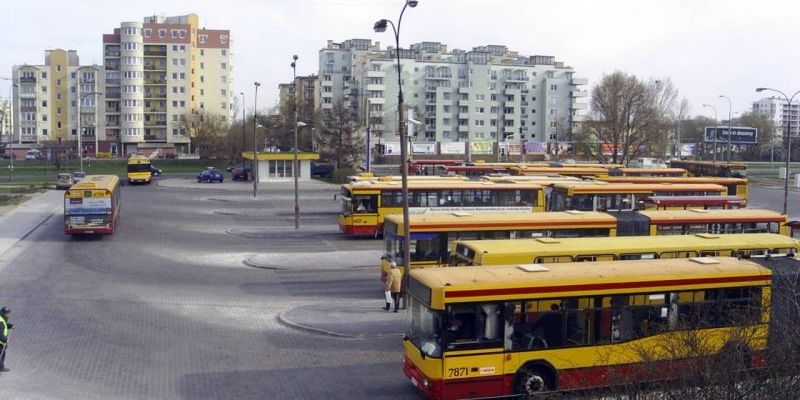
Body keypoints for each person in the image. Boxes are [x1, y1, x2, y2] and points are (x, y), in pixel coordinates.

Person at [0, 307, 12, 372]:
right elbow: (0, 334)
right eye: (7, 313)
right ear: (3, 314)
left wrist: (10, 326)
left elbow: (5, 325)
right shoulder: (1, 322)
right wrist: (6, 339)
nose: (8, 315)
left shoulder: (1, 320)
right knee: (1, 355)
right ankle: (1, 368)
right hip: (0, 343)